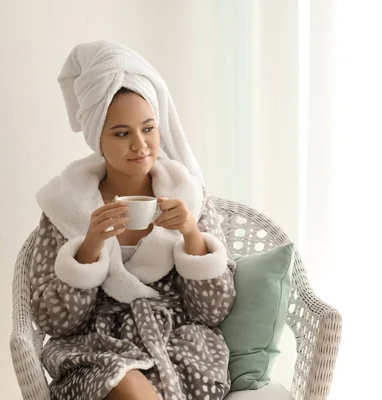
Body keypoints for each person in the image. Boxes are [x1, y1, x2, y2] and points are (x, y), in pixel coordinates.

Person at [30, 41, 236, 400]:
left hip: (177, 346)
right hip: (96, 349)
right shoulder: (66, 208)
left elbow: (214, 311)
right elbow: (53, 321)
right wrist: (90, 247)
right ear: (99, 139)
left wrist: (190, 234)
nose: (140, 145)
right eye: (122, 133)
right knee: (123, 383)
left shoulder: (190, 198)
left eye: (148, 128)